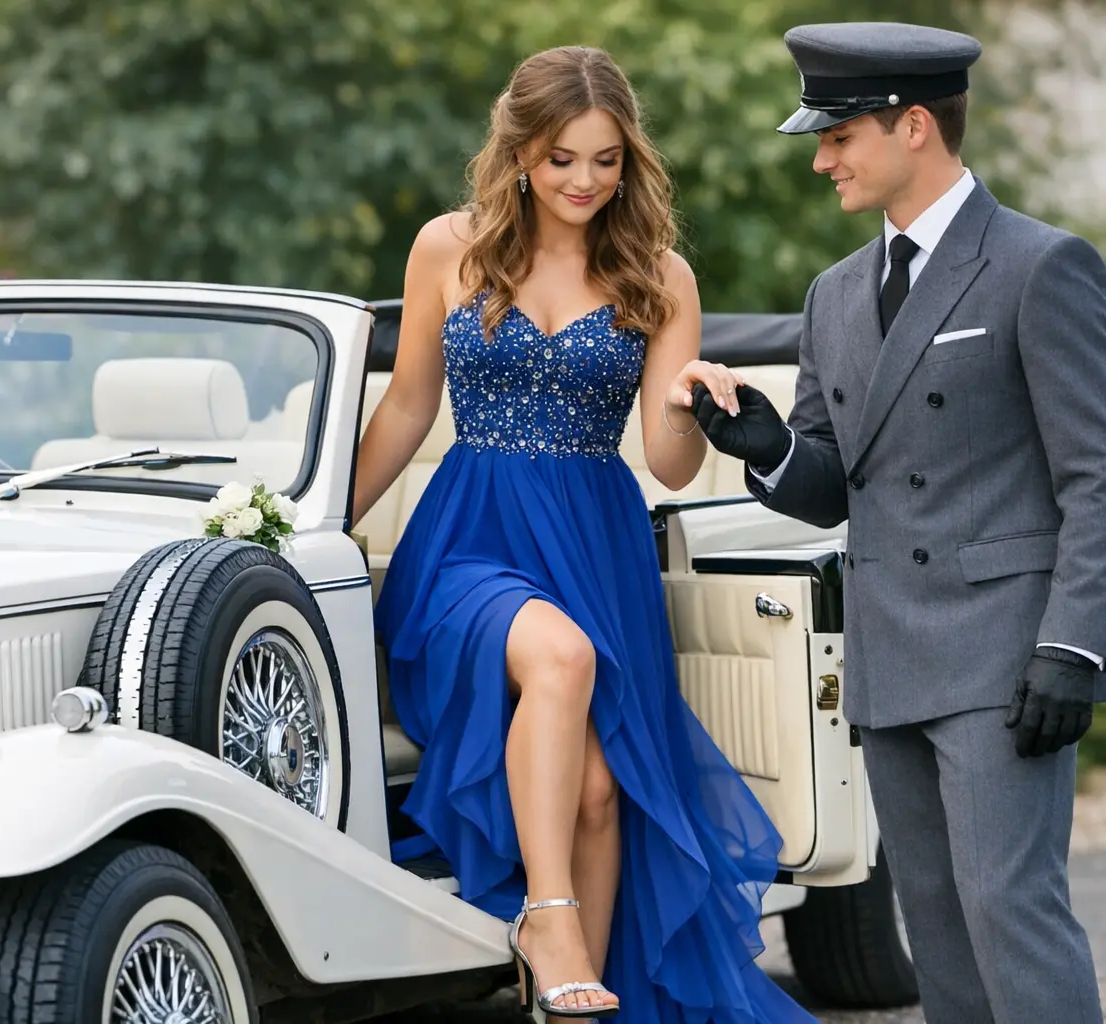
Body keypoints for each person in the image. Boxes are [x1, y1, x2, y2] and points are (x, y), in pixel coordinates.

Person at [690, 21, 1106, 1024]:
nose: (820, 159)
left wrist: (1073, 645)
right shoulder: (835, 295)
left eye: (839, 135)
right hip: (891, 653)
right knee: (937, 927)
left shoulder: (1041, 265)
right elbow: (835, 485)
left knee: (1010, 910)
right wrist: (764, 446)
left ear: (912, 127)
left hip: (1005, 653)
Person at [354, 43, 818, 1023]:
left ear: (629, 160)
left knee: (604, 797)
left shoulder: (658, 274)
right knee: (558, 661)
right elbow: (404, 408)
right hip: (468, 541)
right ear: (520, 150)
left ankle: (571, 1000)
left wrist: (699, 408)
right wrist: (311, 524)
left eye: (606, 160)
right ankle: (548, 919)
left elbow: (669, 458)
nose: (585, 181)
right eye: (564, 158)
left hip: (596, 548)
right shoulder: (452, 246)